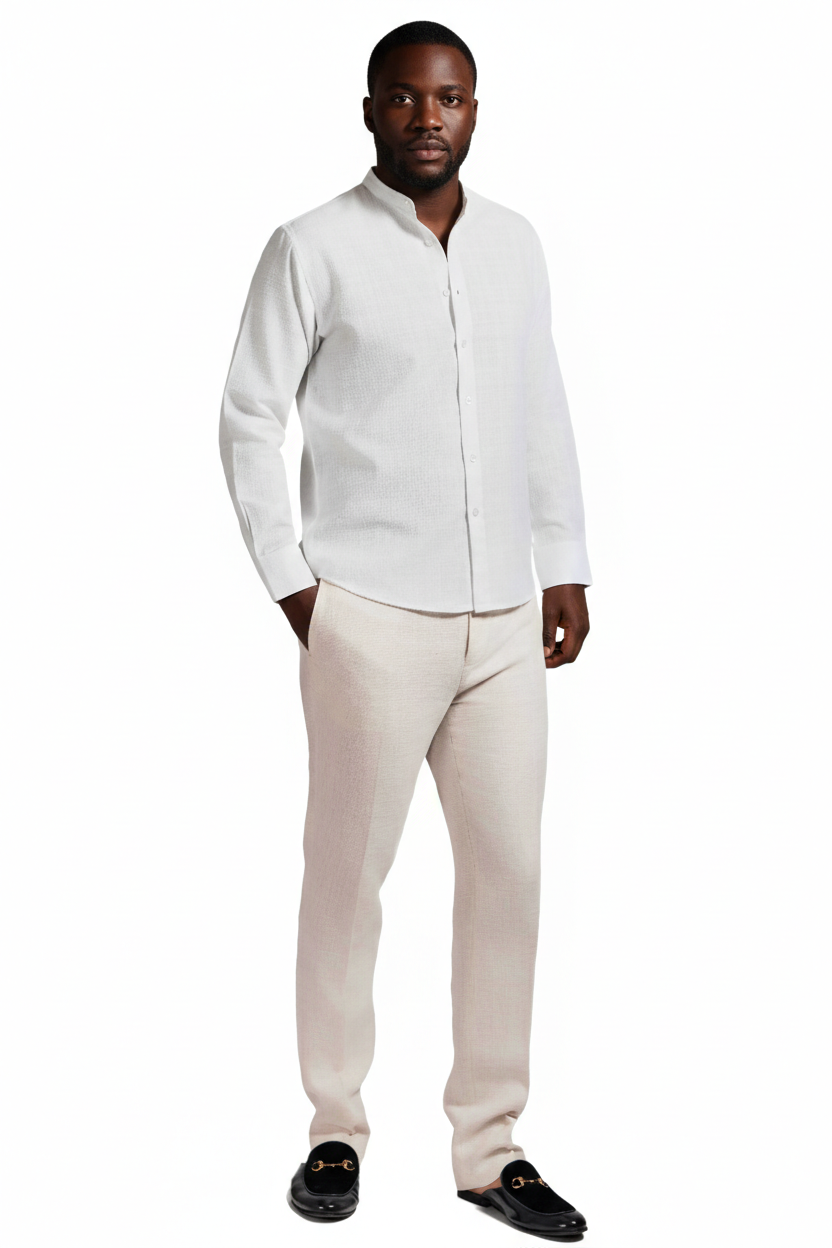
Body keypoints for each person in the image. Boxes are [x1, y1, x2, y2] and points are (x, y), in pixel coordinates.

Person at [219, 20, 591, 1240]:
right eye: (406, 97)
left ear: (474, 110)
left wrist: (563, 561)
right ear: (370, 108)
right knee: (348, 878)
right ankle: (334, 1128)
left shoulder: (517, 245)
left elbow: (539, 401)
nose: (429, 118)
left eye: (451, 98)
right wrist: (297, 589)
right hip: (367, 618)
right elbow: (248, 418)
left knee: (509, 877)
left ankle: (490, 1148)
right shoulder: (311, 247)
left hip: (502, 626)